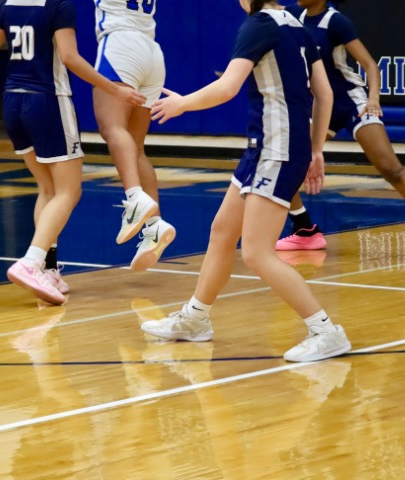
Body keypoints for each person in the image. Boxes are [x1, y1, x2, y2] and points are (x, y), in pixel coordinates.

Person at [141, 0, 352, 362]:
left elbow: (227, 87)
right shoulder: (296, 25)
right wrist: (316, 148)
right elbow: (325, 93)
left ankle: (326, 331)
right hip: (269, 149)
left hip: (276, 150)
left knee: (256, 253)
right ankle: (195, 318)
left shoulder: (258, 25)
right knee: (223, 231)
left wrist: (182, 104)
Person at [0, 0, 145, 305]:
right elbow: (70, 57)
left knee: (48, 189)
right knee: (69, 192)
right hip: (48, 101)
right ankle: (31, 262)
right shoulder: (59, 4)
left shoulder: (7, 3)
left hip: (12, 102)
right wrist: (114, 89)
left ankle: (48, 269)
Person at [275, 0, 405, 259]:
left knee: (390, 168)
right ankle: (304, 229)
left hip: (351, 102)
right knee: (286, 162)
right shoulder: (294, 16)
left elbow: (370, 65)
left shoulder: (336, 22)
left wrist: (373, 99)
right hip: (320, 106)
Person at [92, 0, 177, 272]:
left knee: (112, 128)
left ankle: (134, 197)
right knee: (136, 146)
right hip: (151, 50)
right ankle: (154, 226)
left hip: (120, 43)